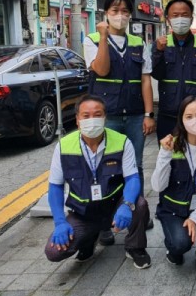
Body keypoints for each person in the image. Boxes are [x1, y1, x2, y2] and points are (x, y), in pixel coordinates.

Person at [44, 95, 151, 269]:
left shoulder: (122, 142)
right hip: (84, 213)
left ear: (105, 118)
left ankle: (135, 247)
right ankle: (88, 239)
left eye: (97, 114)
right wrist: (59, 222)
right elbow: (55, 187)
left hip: (114, 206)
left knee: (140, 204)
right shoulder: (63, 146)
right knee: (53, 252)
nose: (91, 120)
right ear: (77, 120)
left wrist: (127, 204)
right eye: (86, 116)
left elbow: (132, 178)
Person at [83, 0, 156, 246]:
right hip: (107, 117)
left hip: (134, 115)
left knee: (135, 166)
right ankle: (105, 222)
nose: (121, 15)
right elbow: (101, 69)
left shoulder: (138, 42)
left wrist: (148, 114)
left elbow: (145, 80)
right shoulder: (92, 39)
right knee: (104, 168)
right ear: (106, 13)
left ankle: (139, 214)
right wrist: (103, 36)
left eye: (125, 11)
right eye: (115, 10)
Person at [151, 95, 196, 265]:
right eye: (189, 117)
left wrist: (195, 218)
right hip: (173, 208)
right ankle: (173, 248)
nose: (195, 122)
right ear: (181, 120)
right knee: (180, 244)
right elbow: (157, 186)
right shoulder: (171, 145)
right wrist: (164, 154)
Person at [151, 0, 196, 141]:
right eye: (175, 15)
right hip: (168, 113)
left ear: (191, 17)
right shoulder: (161, 44)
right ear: (168, 19)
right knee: (168, 155)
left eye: (184, 15)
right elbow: (157, 74)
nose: (180, 19)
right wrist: (158, 52)